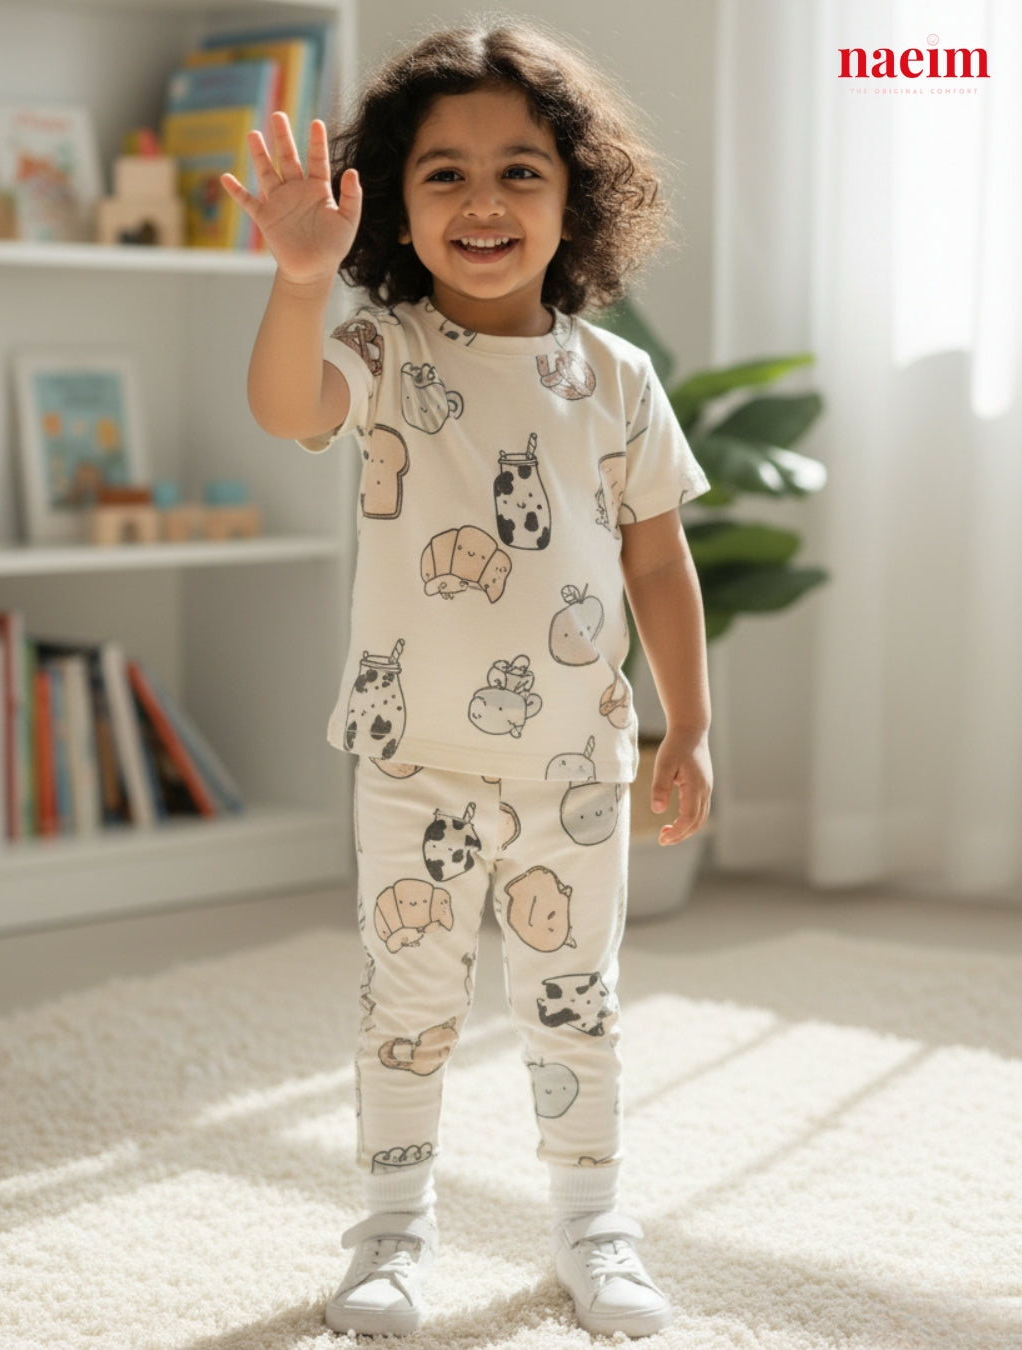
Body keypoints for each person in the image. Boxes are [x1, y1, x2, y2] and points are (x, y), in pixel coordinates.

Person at [222, 17, 713, 1339]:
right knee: (409, 1005)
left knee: (575, 1006)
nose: (483, 201)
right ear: (393, 200)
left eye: (520, 171)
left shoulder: (617, 380)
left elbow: (660, 563)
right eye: (445, 173)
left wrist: (688, 723)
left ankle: (593, 1224)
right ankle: (391, 1230)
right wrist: (300, 282)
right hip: (413, 759)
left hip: (577, 764)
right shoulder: (384, 351)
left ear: (576, 197)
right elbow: (286, 408)